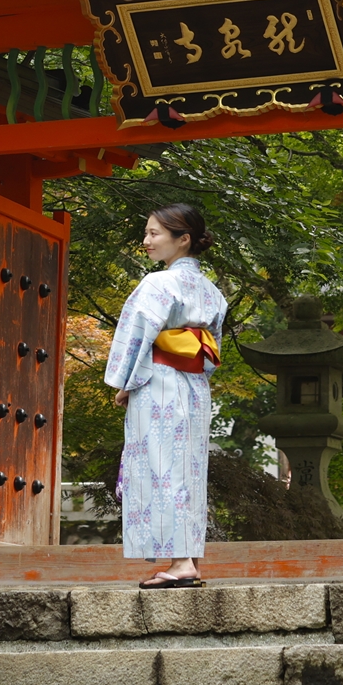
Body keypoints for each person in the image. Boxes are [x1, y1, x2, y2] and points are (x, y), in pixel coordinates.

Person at [105, 203, 227, 588]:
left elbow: (137, 335)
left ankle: (181, 562)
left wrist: (125, 382)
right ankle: (189, 559)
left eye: (154, 233)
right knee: (188, 470)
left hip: (158, 383)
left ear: (183, 239)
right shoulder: (211, 291)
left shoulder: (158, 284)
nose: (146, 240)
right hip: (194, 387)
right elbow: (212, 347)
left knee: (161, 466)